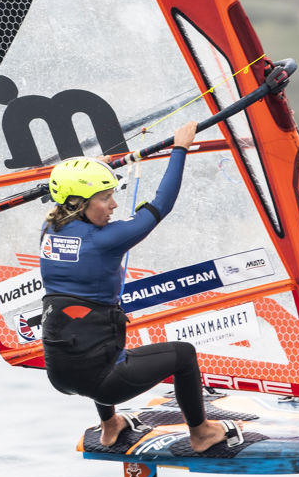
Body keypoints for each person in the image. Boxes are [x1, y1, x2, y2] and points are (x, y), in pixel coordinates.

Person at [38, 120, 238, 452]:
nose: (114, 206)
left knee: (95, 342)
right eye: (105, 199)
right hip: (102, 381)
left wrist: (96, 171)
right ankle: (201, 433)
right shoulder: (107, 240)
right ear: (79, 203)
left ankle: (110, 425)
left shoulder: (49, 231)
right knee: (183, 355)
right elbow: (162, 203)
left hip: (60, 373)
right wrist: (180, 147)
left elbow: (65, 204)